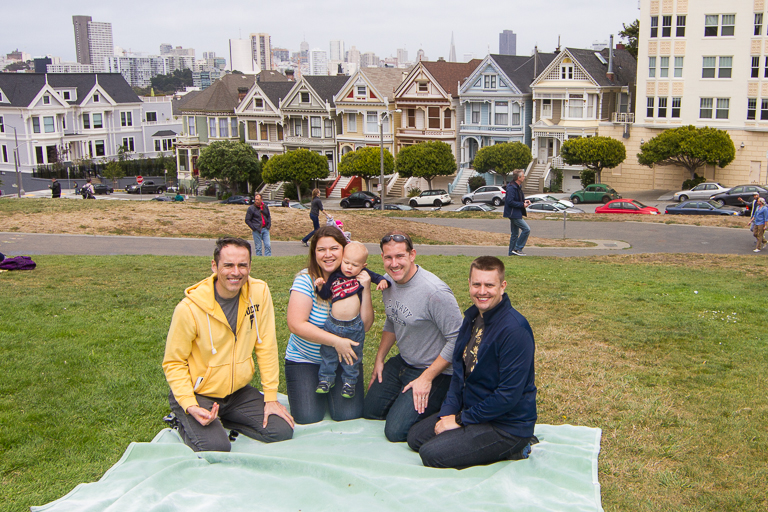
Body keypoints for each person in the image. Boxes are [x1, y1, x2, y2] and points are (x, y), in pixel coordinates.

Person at [162, 237, 294, 452]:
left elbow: (266, 346)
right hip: (199, 392)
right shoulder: (188, 309)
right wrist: (189, 403)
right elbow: (173, 362)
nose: (236, 272)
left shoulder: (259, 292)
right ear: (215, 266)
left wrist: (270, 397)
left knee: (281, 430)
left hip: (236, 392)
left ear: (250, 266)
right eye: (228, 265)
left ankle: (223, 418)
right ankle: (182, 416)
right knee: (217, 447)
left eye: (243, 265)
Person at [407, 256, 537, 469]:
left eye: (489, 285)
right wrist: (449, 411)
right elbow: (459, 373)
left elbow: (507, 396)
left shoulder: (515, 331)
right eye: (476, 284)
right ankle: (469, 435)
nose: (482, 291)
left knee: (431, 454)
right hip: (474, 409)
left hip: (505, 425)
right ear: (469, 284)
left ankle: (516, 447)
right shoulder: (472, 318)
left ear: (502, 286)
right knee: (415, 437)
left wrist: (459, 421)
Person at [364, 231, 462, 442]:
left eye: (400, 256)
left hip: (436, 371)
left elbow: (458, 339)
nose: (394, 263)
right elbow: (392, 318)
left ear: (412, 255)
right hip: (405, 362)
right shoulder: (388, 283)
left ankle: (451, 406)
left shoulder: (434, 292)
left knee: (395, 431)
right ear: (382, 257)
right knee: (370, 411)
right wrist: (379, 359)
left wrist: (426, 378)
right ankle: (404, 395)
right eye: (388, 257)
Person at [286, 226, 370, 424]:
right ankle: (316, 391)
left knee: (347, 416)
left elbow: (365, 326)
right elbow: (296, 324)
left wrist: (365, 290)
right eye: (321, 249)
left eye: (334, 248)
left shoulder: (355, 280)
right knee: (308, 416)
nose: (328, 254)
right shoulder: (306, 280)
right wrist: (336, 342)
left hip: (343, 359)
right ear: (314, 253)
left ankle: (332, 392)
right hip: (305, 360)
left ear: (344, 250)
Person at [314, 242, 389, 399]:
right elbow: (326, 293)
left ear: (363, 265)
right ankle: (326, 379)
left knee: (353, 356)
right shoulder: (335, 275)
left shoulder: (362, 275)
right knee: (328, 353)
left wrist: (382, 281)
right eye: (346, 262)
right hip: (332, 323)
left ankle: (349, 382)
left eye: (354, 265)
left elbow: (377, 277)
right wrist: (320, 287)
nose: (349, 267)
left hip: (353, 326)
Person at [503, 169, 531, 256]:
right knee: (526, 229)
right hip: (513, 214)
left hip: (516, 213)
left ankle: (511, 253)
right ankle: (518, 248)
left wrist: (525, 201)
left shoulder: (517, 187)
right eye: (523, 176)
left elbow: (517, 199)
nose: (524, 177)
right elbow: (510, 201)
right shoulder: (511, 187)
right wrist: (522, 205)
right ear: (518, 178)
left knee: (514, 234)